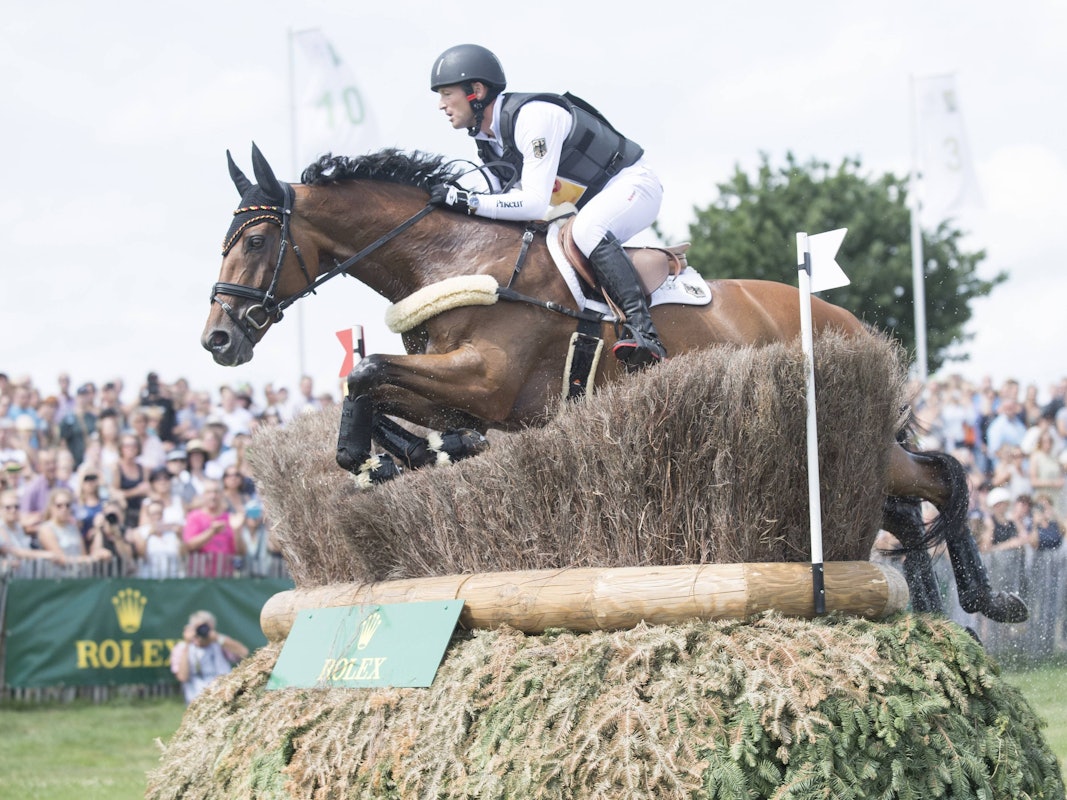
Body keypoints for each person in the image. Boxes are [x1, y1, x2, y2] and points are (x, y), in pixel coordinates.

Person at [429, 44, 666, 369]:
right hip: (587, 204)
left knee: (587, 229)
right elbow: (500, 210)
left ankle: (645, 334)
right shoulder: (487, 143)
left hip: (632, 185)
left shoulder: (533, 117)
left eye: (446, 93)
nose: (441, 105)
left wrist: (468, 202)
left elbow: (535, 203)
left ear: (477, 91)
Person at [169, 610, 248, 704]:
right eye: (198, 628)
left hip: (225, 698)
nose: (202, 632)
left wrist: (218, 638)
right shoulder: (182, 648)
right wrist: (187, 644)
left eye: (205, 628)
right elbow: (182, 677)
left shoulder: (219, 643)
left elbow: (244, 653)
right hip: (197, 701)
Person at [183, 479, 244, 576]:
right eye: (208, 492)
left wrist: (236, 531)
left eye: (216, 492)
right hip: (200, 576)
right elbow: (189, 545)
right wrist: (212, 532)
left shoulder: (230, 518)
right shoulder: (194, 517)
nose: (213, 496)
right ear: (203, 495)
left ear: (222, 495)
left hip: (225, 576)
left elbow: (241, 551)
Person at [0, 488, 55, 575]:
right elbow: (13, 551)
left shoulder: (18, 527)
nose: (13, 510)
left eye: (16, 507)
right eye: (8, 507)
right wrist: (44, 555)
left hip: (22, 577)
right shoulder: (1, 527)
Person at [132, 498, 186, 577]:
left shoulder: (172, 532)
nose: (157, 517)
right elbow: (141, 555)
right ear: (148, 515)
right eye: (153, 514)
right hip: (149, 576)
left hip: (172, 576)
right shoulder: (140, 532)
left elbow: (183, 554)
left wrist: (179, 537)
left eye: (159, 513)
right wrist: (148, 535)